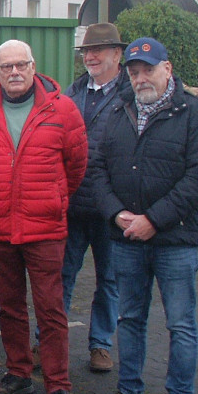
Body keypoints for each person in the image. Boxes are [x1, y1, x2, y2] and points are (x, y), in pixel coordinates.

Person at [86, 38, 198, 394]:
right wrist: (116, 213)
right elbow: (97, 171)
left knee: (180, 324)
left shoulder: (194, 114)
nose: (141, 77)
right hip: (126, 238)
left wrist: (152, 221)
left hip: (174, 241)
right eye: (134, 70)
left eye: (148, 69)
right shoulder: (119, 112)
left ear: (168, 68)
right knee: (129, 320)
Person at [0, 40, 87, 394]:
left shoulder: (62, 109)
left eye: (21, 65)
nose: (14, 72)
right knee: (11, 307)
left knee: (51, 311)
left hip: (45, 228)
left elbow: (77, 164)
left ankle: (58, 387)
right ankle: (19, 374)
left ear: (33, 67)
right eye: (7, 67)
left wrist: (53, 198)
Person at [59, 23, 129, 375]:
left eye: (98, 50)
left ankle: (101, 344)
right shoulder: (70, 96)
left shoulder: (130, 97)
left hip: (111, 210)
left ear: (117, 54)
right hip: (71, 206)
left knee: (109, 280)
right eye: (87, 51)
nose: (90, 56)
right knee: (61, 278)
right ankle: (49, 340)